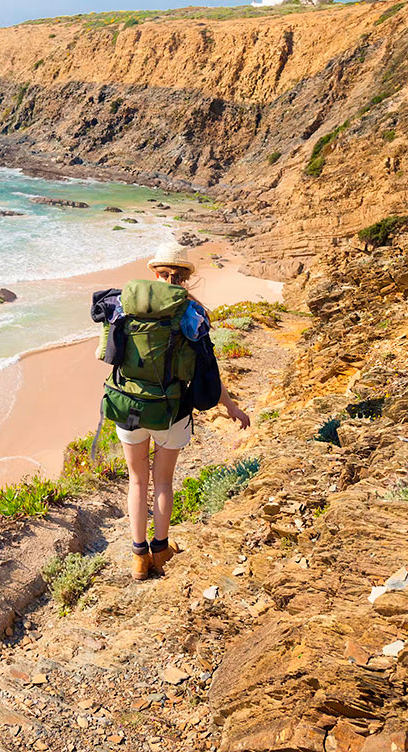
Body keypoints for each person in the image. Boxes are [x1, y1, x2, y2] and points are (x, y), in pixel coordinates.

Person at [113, 241, 251, 581]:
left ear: (155, 273)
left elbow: (109, 352)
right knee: (162, 482)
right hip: (171, 410)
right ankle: (161, 552)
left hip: (128, 405)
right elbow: (207, 370)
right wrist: (230, 406)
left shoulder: (124, 303)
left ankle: (137, 558)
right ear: (185, 278)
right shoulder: (192, 314)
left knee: (136, 480)